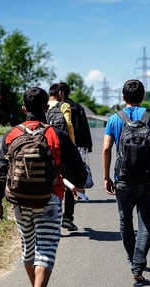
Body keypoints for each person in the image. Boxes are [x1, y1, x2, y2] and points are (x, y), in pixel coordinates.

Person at [0, 86, 87, 287]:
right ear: (46, 108)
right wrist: (75, 182)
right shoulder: (55, 134)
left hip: (19, 202)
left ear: (24, 109)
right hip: (49, 199)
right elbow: (79, 172)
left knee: (28, 248)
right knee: (46, 249)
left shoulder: (11, 135)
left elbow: (0, 171)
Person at [102, 79, 150, 286]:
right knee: (146, 224)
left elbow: (106, 149)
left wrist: (107, 177)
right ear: (143, 97)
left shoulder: (115, 119)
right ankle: (138, 266)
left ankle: (133, 259)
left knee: (125, 222)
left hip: (123, 178)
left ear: (123, 97)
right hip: (147, 178)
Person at [58, 82, 94, 231]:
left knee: (59, 177)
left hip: (60, 146)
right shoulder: (78, 107)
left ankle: (57, 215)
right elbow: (85, 128)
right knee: (72, 179)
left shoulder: (56, 109)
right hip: (78, 147)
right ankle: (67, 216)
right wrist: (87, 148)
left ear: (60, 93)